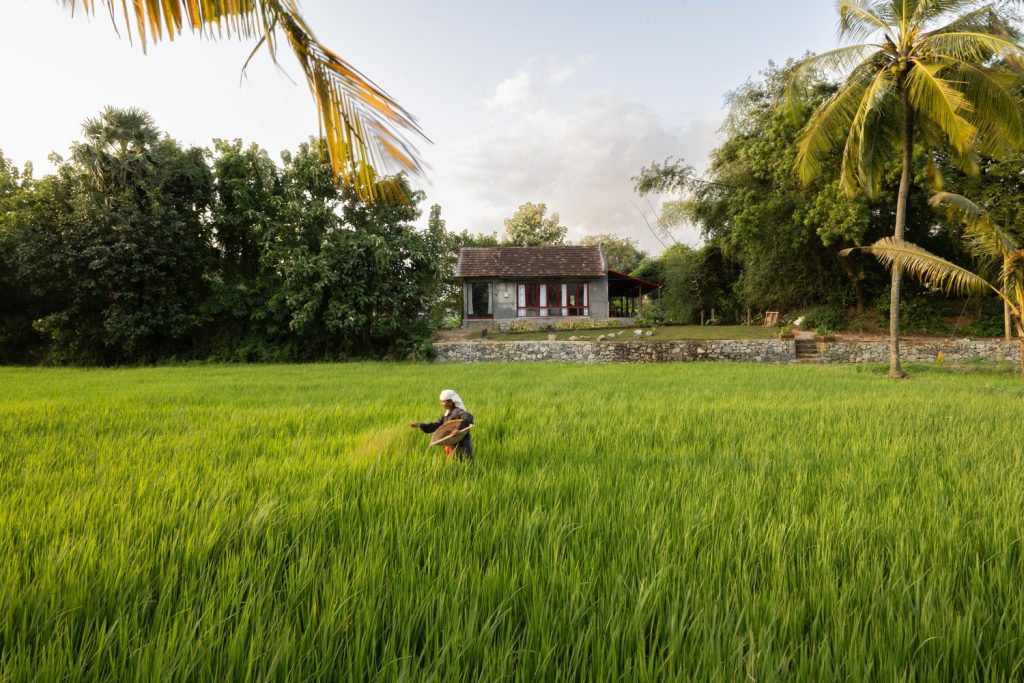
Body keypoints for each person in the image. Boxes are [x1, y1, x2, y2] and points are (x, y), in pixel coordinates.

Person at [410, 389, 474, 459]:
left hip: (461, 445)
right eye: (441, 402)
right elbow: (437, 425)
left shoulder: (457, 411)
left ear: (451, 402)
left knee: (462, 463)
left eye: (444, 402)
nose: (442, 404)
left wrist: (458, 429)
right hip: (451, 444)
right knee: (453, 465)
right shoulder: (447, 414)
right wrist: (421, 425)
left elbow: (468, 417)